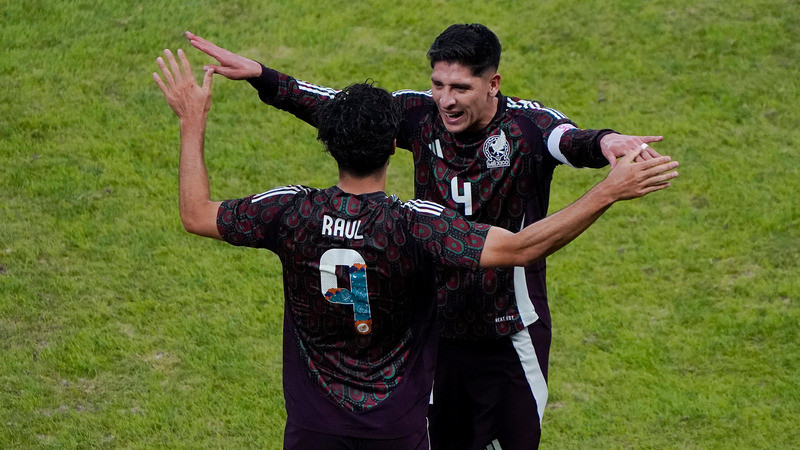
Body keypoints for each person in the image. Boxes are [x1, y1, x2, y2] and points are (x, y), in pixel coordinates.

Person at [183, 23, 671, 449]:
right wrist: (264, 77)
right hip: (432, 335)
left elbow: (572, 140)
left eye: (460, 87)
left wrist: (609, 141)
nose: (446, 100)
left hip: (508, 335)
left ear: (493, 83)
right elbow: (344, 112)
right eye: (437, 84)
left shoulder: (526, 126)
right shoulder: (418, 116)